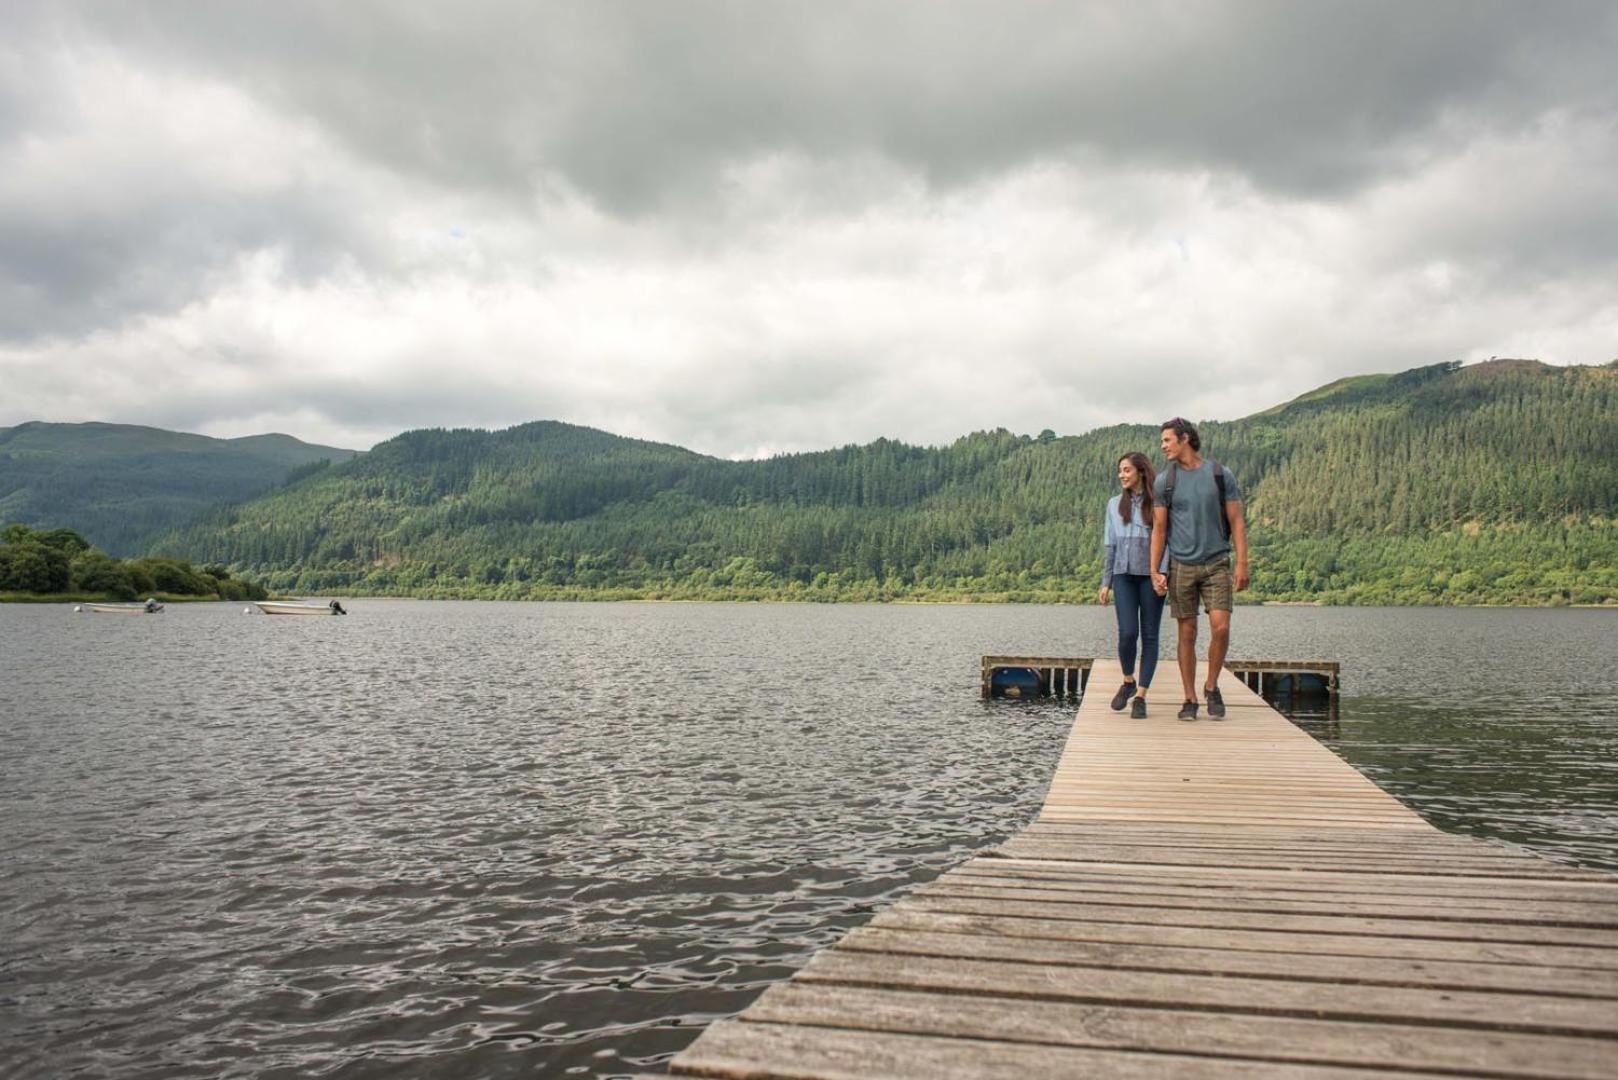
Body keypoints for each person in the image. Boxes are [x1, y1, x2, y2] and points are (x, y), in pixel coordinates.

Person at [1150, 418, 1249, 721]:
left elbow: (1236, 521)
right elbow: (1159, 528)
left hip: (1217, 562)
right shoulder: (1165, 480)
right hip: (1181, 565)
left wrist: (1243, 563)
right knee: (1187, 632)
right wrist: (1155, 569)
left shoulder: (1220, 474)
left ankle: (1211, 685)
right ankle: (1189, 698)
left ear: (1184, 439)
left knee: (1221, 627)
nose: (1163, 446)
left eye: (1167, 440)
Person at [1098, 452, 1167, 718]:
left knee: (1150, 636)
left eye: (1126, 470)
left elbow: (1167, 540)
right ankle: (1128, 681)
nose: (1122, 475)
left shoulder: (1158, 502)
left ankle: (1141, 696)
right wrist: (1106, 582)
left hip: (1151, 577)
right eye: (1120, 471)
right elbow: (1110, 544)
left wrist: (1163, 573)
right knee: (1127, 632)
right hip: (1123, 575)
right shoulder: (1114, 504)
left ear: (1140, 471)